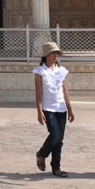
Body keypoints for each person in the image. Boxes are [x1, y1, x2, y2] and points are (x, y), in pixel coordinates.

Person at [33, 42, 74, 177]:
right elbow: (38, 92)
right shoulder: (40, 71)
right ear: (46, 55)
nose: (56, 55)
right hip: (48, 108)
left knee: (59, 140)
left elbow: (65, 90)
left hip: (61, 108)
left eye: (57, 53)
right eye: (53, 53)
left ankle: (56, 167)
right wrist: (39, 111)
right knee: (55, 134)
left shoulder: (61, 70)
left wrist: (70, 108)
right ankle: (42, 154)